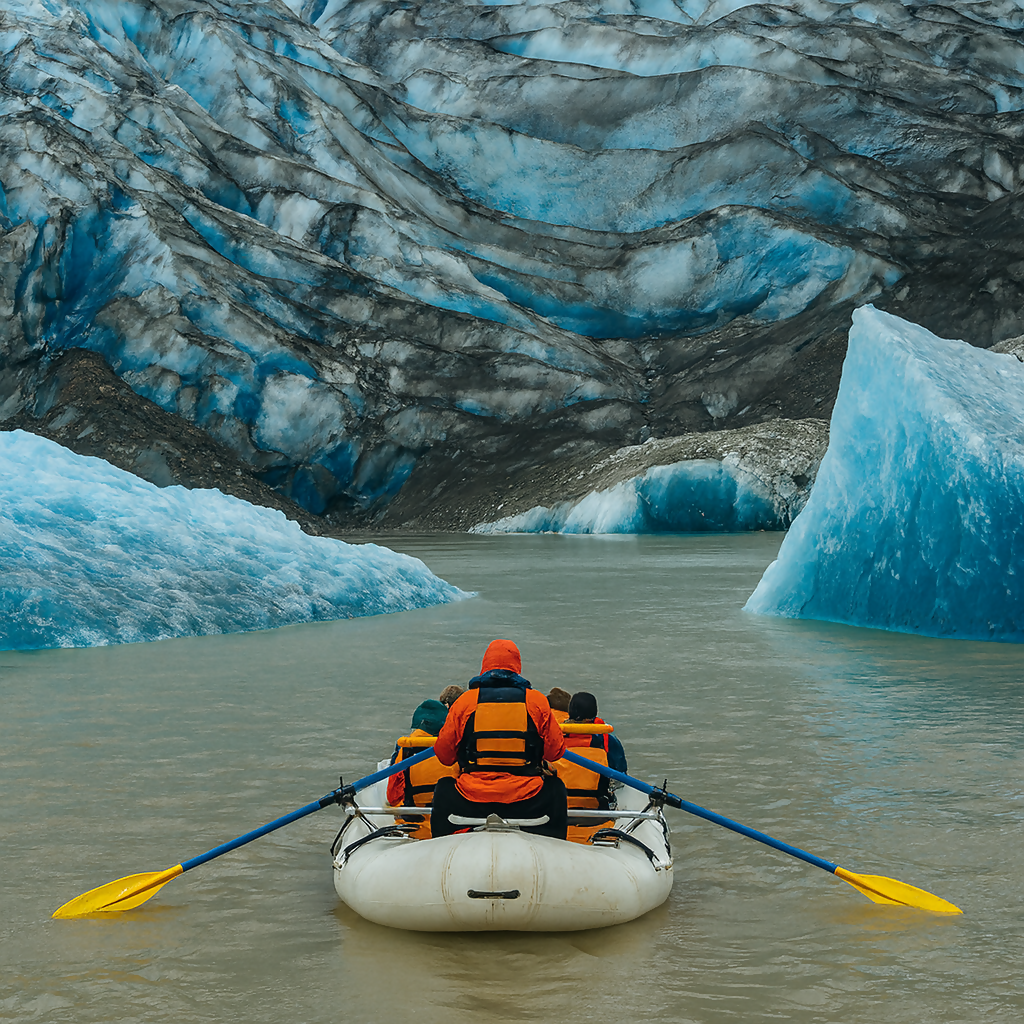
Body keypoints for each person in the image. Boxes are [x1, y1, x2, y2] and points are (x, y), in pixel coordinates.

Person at [431, 639, 567, 840]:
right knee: (556, 788)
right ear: (517, 667)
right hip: (527, 798)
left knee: (443, 787)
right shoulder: (536, 701)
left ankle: (440, 848)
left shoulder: (464, 702)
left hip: (472, 796)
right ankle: (556, 848)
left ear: (484, 666)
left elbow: (444, 756)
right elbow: (555, 752)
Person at [553, 691, 627, 843]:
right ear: (595, 713)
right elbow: (621, 776)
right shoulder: (607, 740)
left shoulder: (553, 737)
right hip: (595, 815)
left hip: (557, 813)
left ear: (570, 712)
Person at [386, 699, 458, 840]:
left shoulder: (405, 749)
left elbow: (392, 797)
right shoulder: (456, 749)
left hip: (416, 829)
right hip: (451, 827)